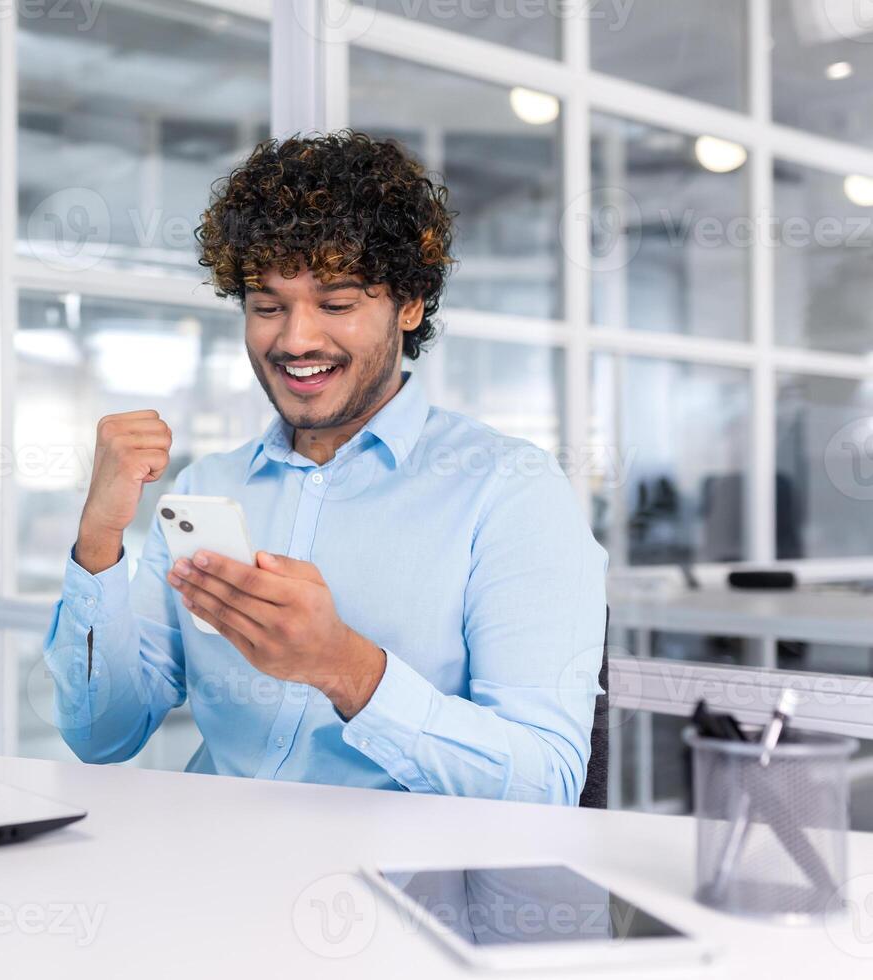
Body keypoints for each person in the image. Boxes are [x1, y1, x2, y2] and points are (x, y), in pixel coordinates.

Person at [41, 131, 607, 805]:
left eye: (336, 304)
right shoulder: (207, 489)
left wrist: (344, 668)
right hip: (210, 877)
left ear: (410, 304)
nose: (295, 339)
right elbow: (101, 736)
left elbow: (547, 782)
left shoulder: (511, 493)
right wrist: (100, 541)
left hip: (399, 895)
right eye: (267, 306)